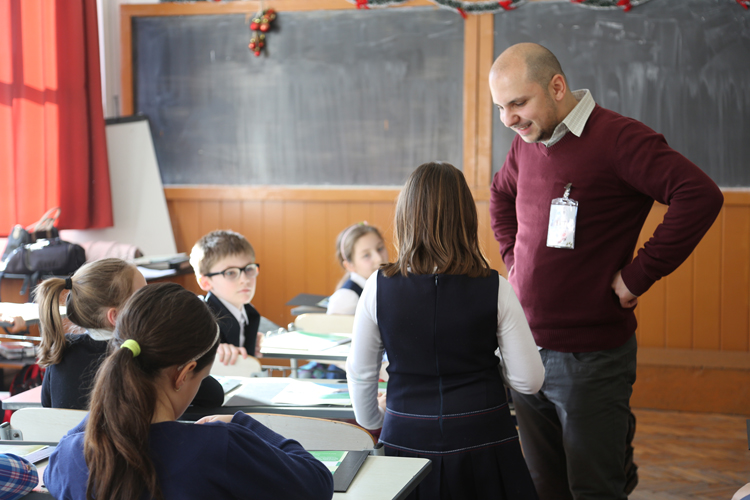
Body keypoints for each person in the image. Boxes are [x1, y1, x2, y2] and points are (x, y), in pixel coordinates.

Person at [489, 43, 724, 500]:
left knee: (595, 488)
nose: (509, 120)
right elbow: (500, 195)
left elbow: (700, 195)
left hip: (589, 359)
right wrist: (512, 259)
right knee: (544, 487)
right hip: (525, 349)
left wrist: (639, 275)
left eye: (518, 103)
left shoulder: (620, 139)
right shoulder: (526, 143)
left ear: (557, 87)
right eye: (501, 108)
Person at [347, 161, 545, 500]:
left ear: (405, 217)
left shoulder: (377, 287)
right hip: (484, 437)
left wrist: (375, 417)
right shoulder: (495, 287)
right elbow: (529, 380)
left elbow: (360, 373)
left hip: (405, 436)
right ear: (466, 218)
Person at [44, 282, 334, 500]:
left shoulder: (71, 456)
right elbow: (318, 483)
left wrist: (106, 409)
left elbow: (59, 459)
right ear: (183, 374)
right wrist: (242, 424)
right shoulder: (219, 447)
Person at [36, 258, 223, 410]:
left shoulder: (63, 350)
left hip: (68, 455)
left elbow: (48, 407)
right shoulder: (146, 351)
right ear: (116, 316)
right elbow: (214, 396)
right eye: (143, 298)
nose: (152, 304)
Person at [190, 230, 263, 364]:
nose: (244, 280)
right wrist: (212, 352)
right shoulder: (200, 323)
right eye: (230, 273)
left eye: (249, 269)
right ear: (206, 282)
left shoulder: (249, 313)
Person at [327, 222, 388, 315]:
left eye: (380, 248)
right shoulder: (347, 297)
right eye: (366, 255)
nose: (379, 258)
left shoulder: (384, 283)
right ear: (349, 265)